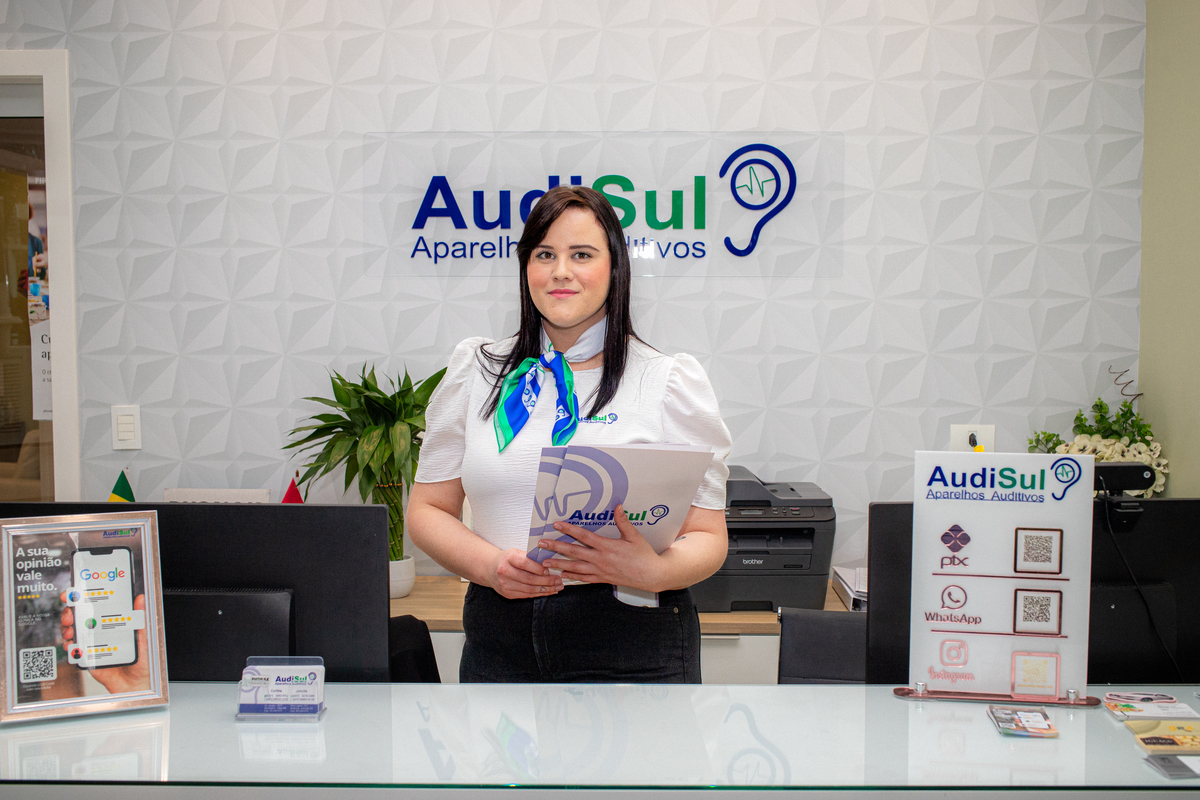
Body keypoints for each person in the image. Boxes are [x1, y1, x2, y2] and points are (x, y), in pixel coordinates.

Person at [407, 185, 732, 683]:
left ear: (615, 268)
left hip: (632, 639)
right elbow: (428, 510)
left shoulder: (667, 381)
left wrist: (655, 572)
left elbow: (708, 536)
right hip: (501, 637)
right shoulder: (478, 370)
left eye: (582, 254)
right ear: (526, 269)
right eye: (545, 255)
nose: (561, 271)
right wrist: (492, 567)